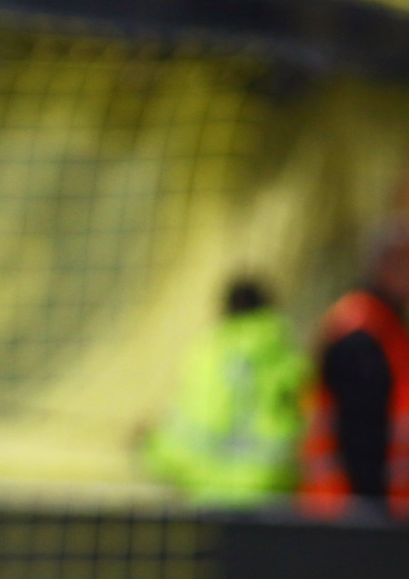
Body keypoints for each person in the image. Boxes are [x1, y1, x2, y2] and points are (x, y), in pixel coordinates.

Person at [143, 279, 309, 507]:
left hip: (206, 496)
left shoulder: (205, 354)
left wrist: (151, 449)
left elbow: (185, 430)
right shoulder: (286, 357)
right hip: (271, 494)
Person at [300, 220, 409, 520]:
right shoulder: (363, 330)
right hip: (350, 506)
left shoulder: (385, 326)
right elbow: (357, 426)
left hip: (369, 505)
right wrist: (368, 501)